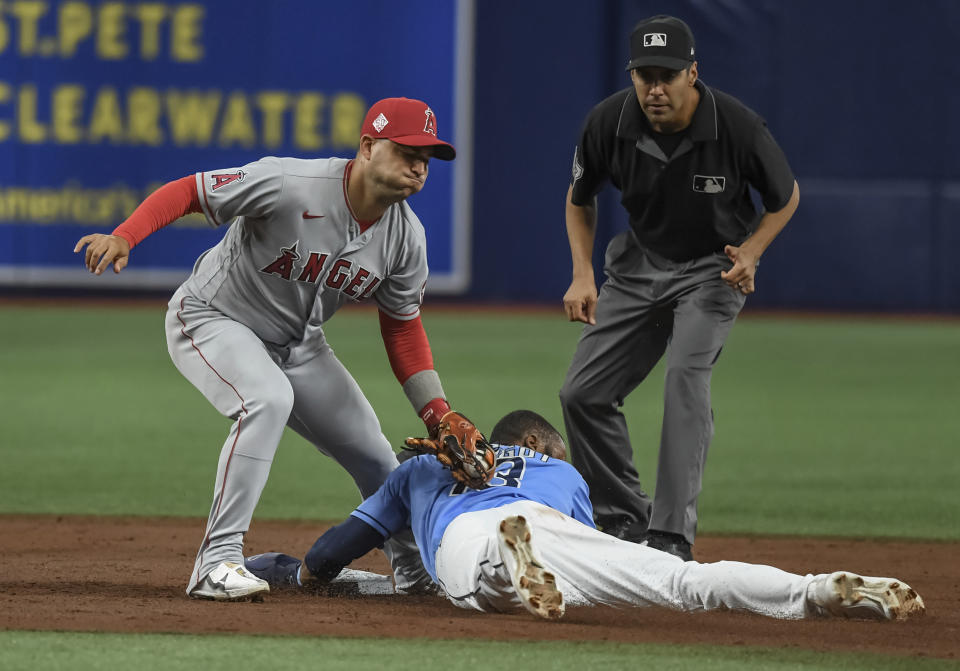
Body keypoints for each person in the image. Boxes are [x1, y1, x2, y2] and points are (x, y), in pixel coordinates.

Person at [74, 97, 466, 601]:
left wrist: (438, 414)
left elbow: (402, 328)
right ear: (367, 148)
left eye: (427, 158)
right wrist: (126, 235)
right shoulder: (290, 182)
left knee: (374, 454)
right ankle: (216, 562)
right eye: (408, 150)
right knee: (266, 398)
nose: (418, 166)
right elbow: (191, 191)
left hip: (300, 345)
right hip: (214, 317)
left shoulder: (406, 237)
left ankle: (414, 573)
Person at [242, 410, 925, 623]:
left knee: (477, 584)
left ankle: (506, 563)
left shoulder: (423, 467)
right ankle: (814, 588)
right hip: (552, 526)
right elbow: (590, 542)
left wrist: (304, 571)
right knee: (686, 581)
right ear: (536, 443)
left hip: (473, 534)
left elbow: (340, 547)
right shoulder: (562, 472)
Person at [558, 15, 801, 560]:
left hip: (714, 269)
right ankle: (623, 520)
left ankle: (669, 536)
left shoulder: (736, 126)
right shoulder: (608, 122)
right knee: (582, 393)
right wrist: (582, 272)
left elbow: (785, 198)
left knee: (685, 379)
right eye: (644, 75)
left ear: (692, 73)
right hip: (640, 265)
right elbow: (580, 199)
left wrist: (754, 250)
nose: (655, 88)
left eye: (667, 74)